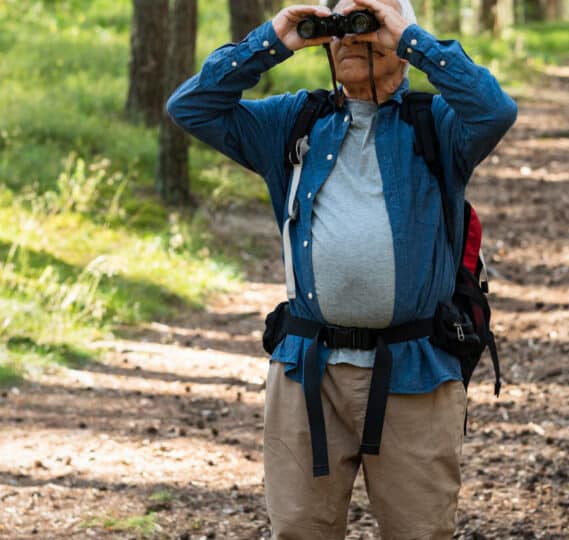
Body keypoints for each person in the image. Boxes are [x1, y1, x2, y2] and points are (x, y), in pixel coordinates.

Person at [166, 0, 517, 537]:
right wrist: (272, 39)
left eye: (369, 25)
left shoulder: (437, 126)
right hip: (308, 370)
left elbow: (495, 110)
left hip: (415, 370)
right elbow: (192, 107)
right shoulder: (293, 121)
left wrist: (411, 38)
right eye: (342, 26)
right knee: (300, 530)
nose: (353, 38)